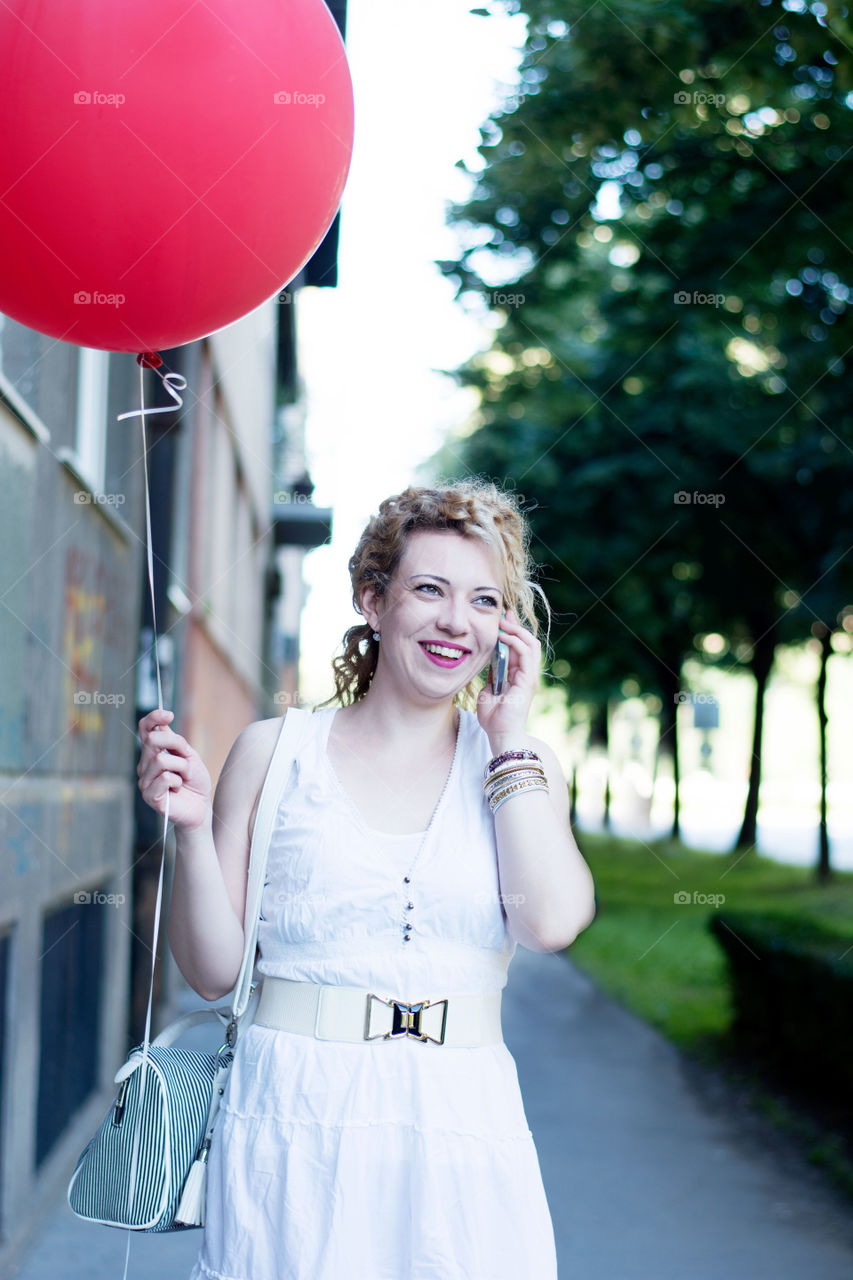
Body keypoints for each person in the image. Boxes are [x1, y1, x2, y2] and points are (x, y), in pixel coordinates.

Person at [137, 479, 597, 1280]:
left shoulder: (519, 765)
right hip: (291, 1123)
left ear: (505, 627)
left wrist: (509, 738)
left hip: (460, 1126)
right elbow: (211, 972)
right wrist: (191, 833)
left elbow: (549, 923)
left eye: (484, 601)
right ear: (372, 601)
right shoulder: (274, 753)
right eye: (430, 590)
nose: (456, 622)